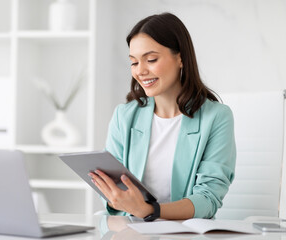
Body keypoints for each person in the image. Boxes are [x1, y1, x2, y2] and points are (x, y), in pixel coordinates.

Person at [89, 12, 236, 220]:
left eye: (151, 59)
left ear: (181, 59)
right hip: (132, 229)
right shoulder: (124, 116)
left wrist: (150, 211)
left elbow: (208, 199)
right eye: (134, 62)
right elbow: (113, 194)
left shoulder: (217, 117)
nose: (140, 71)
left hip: (185, 234)